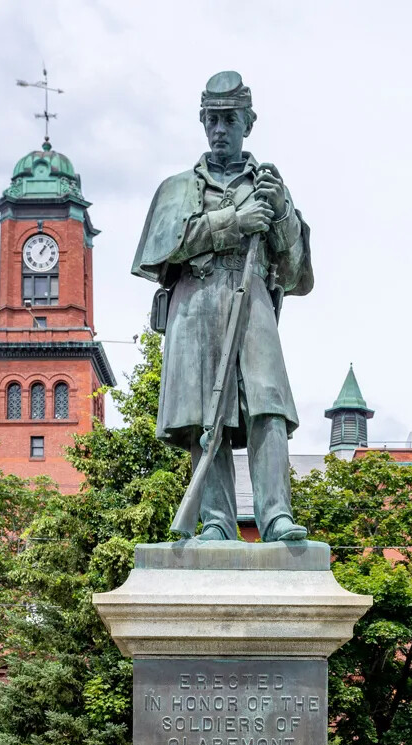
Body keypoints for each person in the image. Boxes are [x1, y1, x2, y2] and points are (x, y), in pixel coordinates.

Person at [132, 71, 313, 542]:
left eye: (229, 119)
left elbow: (295, 273)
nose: (218, 129)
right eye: (211, 119)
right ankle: (216, 522)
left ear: (247, 123)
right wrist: (234, 221)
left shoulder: (272, 185)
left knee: (267, 406)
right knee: (203, 415)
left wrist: (284, 217)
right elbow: (163, 247)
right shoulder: (177, 188)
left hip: (252, 299)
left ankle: (276, 516)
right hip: (196, 303)